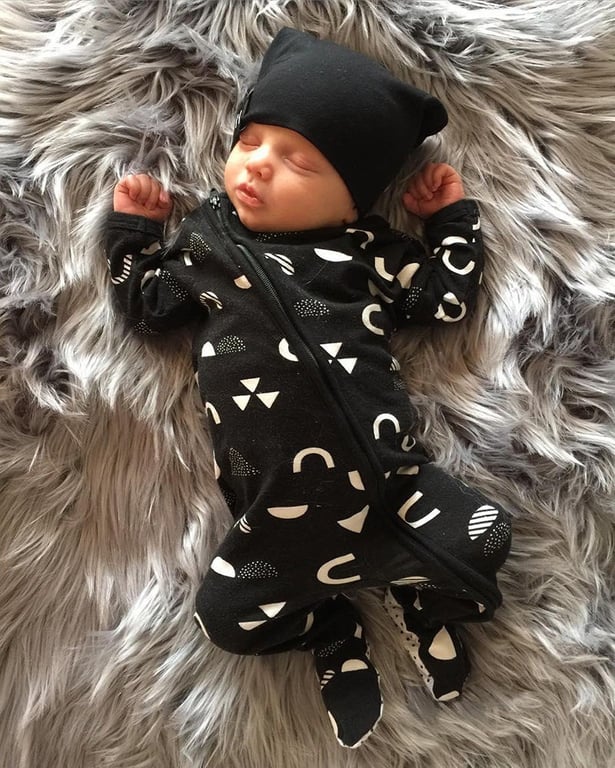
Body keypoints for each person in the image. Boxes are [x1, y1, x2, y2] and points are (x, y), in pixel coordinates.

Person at [105, 27, 512, 749]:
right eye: (250, 141)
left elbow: (443, 301)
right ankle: (327, 626)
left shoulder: (364, 250)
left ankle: (417, 592)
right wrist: (132, 236)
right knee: (224, 618)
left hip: (395, 488)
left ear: (350, 202)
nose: (258, 164)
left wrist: (449, 225)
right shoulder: (203, 244)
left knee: (489, 534)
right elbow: (147, 308)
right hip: (280, 518)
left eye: (297, 161)